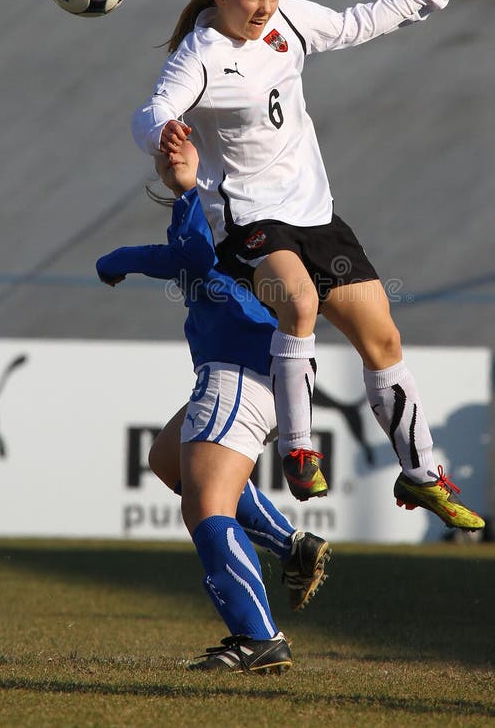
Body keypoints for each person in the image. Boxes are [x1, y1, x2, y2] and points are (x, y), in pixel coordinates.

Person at [131, 0, 484, 531]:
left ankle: (421, 474)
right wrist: (164, 133)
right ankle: (298, 448)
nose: (267, 5)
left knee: (384, 341)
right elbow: (150, 112)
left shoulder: (288, 17)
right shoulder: (202, 54)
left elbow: (353, 24)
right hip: (248, 220)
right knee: (299, 303)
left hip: (314, 213)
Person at [96, 142, 331, 672]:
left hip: (238, 370)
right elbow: (189, 261)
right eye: (166, 151)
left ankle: (258, 637)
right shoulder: (233, 208)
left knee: (205, 506)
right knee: (168, 460)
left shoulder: (218, 207)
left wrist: (122, 257)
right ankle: (290, 546)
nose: (170, 154)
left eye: (180, 147)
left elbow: (190, 256)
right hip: (255, 368)